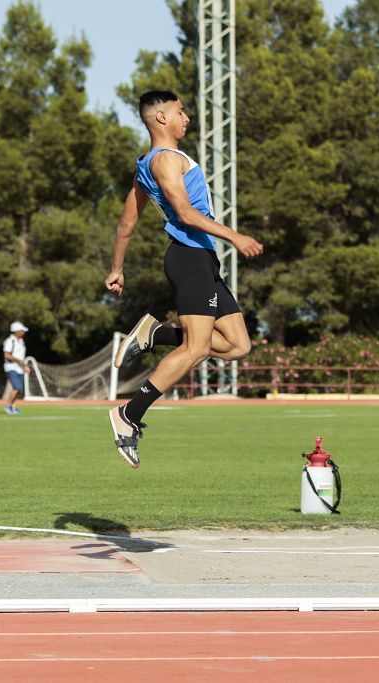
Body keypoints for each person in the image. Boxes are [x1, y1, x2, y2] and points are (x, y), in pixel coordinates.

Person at [104, 90, 264, 468]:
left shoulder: (150, 164)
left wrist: (116, 268)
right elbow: (185, 213)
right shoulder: (164, 161)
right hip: (189, 258)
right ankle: (129, 414)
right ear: (161, 118)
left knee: (238, 345)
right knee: (195, 349)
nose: (186, 116)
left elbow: (127, 224)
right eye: (180, 111)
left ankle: (155, 335)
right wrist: (235, 236)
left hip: (203, 260)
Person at [2, 321, 30, 414]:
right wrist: (19, 361)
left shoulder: (21, 341)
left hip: (19, 368)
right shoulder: (9, 341)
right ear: (16, 331)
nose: (23, 332)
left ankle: (13, 408)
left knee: (19, 390)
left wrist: (25, 366)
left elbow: (21, 357)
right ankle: (8, 406)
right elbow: (6, 355)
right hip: (11, 367)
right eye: (21, 331)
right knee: (16, 387)